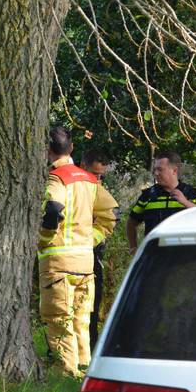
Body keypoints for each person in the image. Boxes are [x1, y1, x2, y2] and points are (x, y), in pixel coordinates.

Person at [40, 128, 118, 377]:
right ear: (72, 148)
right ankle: (84, 372)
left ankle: (65, 375)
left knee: (60, 320)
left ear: (48, 150)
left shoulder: (56, 178)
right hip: (85, 264)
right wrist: (90, 241)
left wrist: (42, 240)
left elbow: (53, 209)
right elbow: (112, 215)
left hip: (58, 263)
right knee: (81, 321)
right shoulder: (89, 180)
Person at [126, 150, 196, 254]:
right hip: (153, 257)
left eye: (160, 169)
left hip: (183, 258)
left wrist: (185, 202)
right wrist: (133, 247)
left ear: (174, 171)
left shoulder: (192, 193)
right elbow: (131, 222)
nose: (156, 173)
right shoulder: (148, 195)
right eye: (155, 170)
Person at [79, 149, 113, 349]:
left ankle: (91, 349)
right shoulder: (71, 186)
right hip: (70, 254)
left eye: (101, 175)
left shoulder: (97, 189)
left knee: (93, 304)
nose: (98, 179)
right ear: (83, 167)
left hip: (93, 254)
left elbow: (110, 217)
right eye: (95, 174)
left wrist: (91, 240)